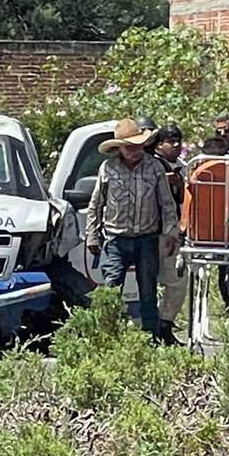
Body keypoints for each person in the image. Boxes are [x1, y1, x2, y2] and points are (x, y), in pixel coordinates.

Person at [86, 118, 179, 339]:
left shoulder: (154, 167)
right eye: (130, 147)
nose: (135, 151)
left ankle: (150, 337)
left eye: (138, 146)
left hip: (147, 238)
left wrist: (170, 234)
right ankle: (107, 336)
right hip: (116, 239)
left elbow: (167, 203)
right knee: (111, 288)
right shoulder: (108, 168)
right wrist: (92, 235)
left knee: (148, 289)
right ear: (119, 148)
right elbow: (96, 204)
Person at [149, 122, 188, 345]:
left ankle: (165, 324)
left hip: (174, 231)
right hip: (153, 229)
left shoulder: (184, 166)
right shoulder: (153, 165)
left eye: (177, 141)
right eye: (169, 141)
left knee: (176, 281)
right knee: (150, 281)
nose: (175, 145)